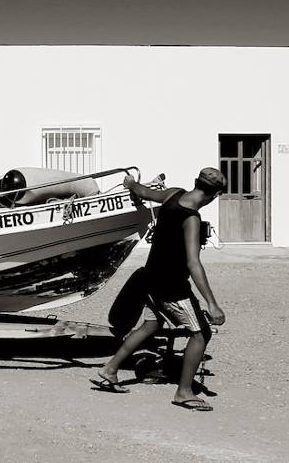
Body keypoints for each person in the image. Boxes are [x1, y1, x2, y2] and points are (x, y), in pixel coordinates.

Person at [90, 167, 228, 411]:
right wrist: (212, 303)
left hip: (151, 280)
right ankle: (184, 392)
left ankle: (110, 370)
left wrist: (130, 183)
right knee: (201, 333)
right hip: (171, 286)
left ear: (196, 182)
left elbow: (143, 192)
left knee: (151, 324)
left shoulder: (173, 194)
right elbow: (193, 263)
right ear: (215, 195)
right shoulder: (191, 218)